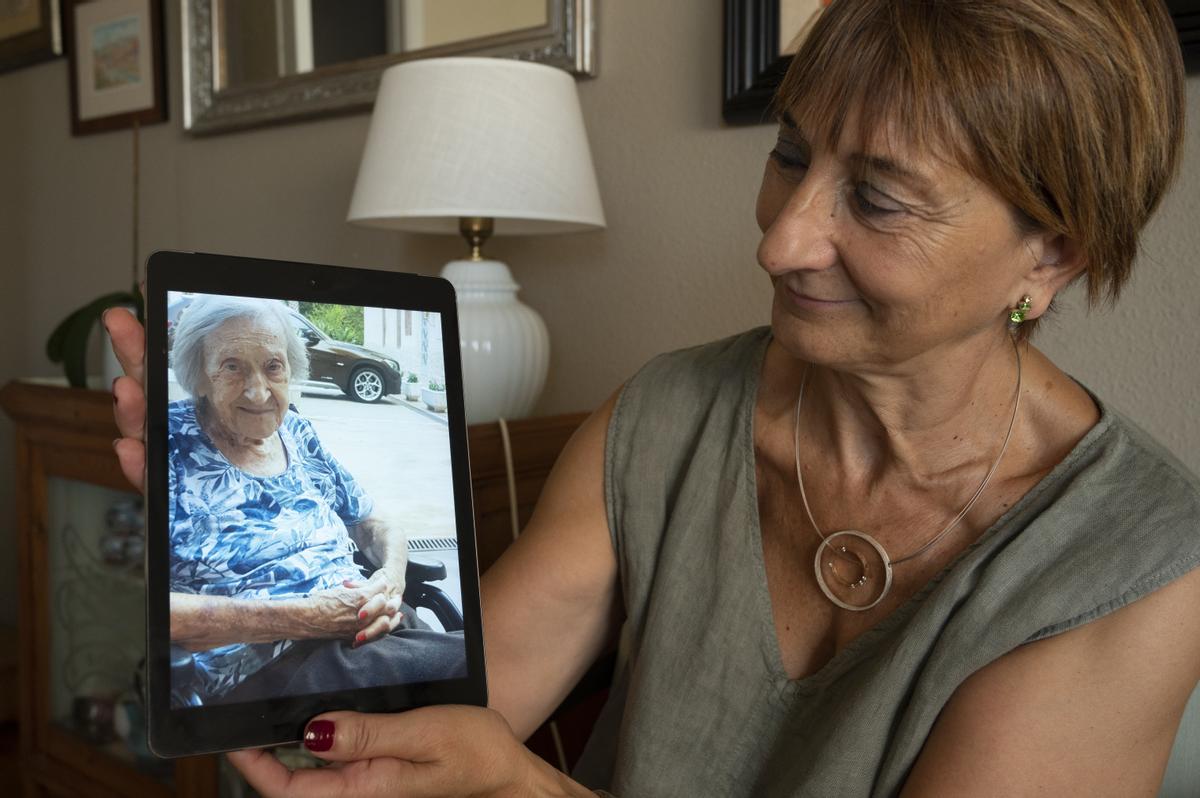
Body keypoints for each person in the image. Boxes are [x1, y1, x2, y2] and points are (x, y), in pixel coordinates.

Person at [108, 0, 1200, 794]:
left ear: (1051, 253)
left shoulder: (1129, 561)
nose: (780, 240)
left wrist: (524, 791)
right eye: (788, 153)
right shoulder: (666, 412)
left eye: (875, 198)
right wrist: (301, 710)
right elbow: (455, 723)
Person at [163, 295, 465, 706]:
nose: (258, 391)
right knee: (478, 673)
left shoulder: (297, 434)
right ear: (199, 376)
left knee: (478, 664)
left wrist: (390, 582)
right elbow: (154, 611)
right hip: (267, 669)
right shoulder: (169, 444)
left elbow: (374, 524)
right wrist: (310, 617)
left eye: (273, 366)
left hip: (366, 626)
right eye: (232, 367)